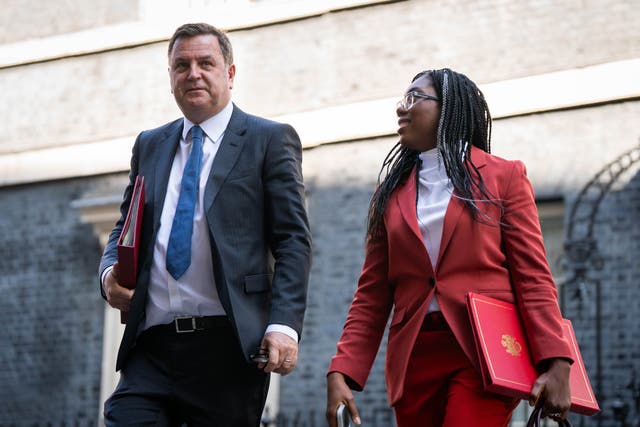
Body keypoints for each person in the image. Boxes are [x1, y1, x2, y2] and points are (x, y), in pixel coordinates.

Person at [325, 68, 572, 427]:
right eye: (401, 99)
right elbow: (372, 294)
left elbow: (533, 277)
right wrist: (343, 370)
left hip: (484, 352)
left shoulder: (504, 177)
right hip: (415, 357)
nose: (401, 108)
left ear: (449, 107)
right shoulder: (390, 194)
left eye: (414, 97)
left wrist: (558, 360)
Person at [98, 22, 311, 426]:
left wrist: (284, 326)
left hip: (227, 348)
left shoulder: (268, 140)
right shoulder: (151, 144)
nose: (192, 73)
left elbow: (292, 241)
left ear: (230, 73)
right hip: (152, 345)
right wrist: (109, 272)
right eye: (181, 65)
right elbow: (125, 225)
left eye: (205, 63)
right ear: (171, 78)